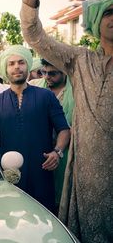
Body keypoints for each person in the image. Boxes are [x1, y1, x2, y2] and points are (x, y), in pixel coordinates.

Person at [18, 0, 112, 243]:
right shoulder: (80, 61)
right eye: (108, 14)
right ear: (97, 22)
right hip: (88, 177)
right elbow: (34, 35)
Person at [0, 45, 70, 211]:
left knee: (44, 224)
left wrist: (57, 152)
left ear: (27, 66)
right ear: (5, 69)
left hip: (42, 173)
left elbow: (64, 130)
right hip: (10, 175)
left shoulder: (46, 96)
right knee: (12, 220)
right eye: (12, 63)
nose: (17, 67)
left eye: (21, 62)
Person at [29, 59, 74, 208]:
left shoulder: (76, 90)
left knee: (62, 192)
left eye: (53, 73)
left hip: (67, 151)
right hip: (39, 148)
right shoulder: (34, 86)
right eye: (44, 72)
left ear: (64, 72)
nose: (47, 77)